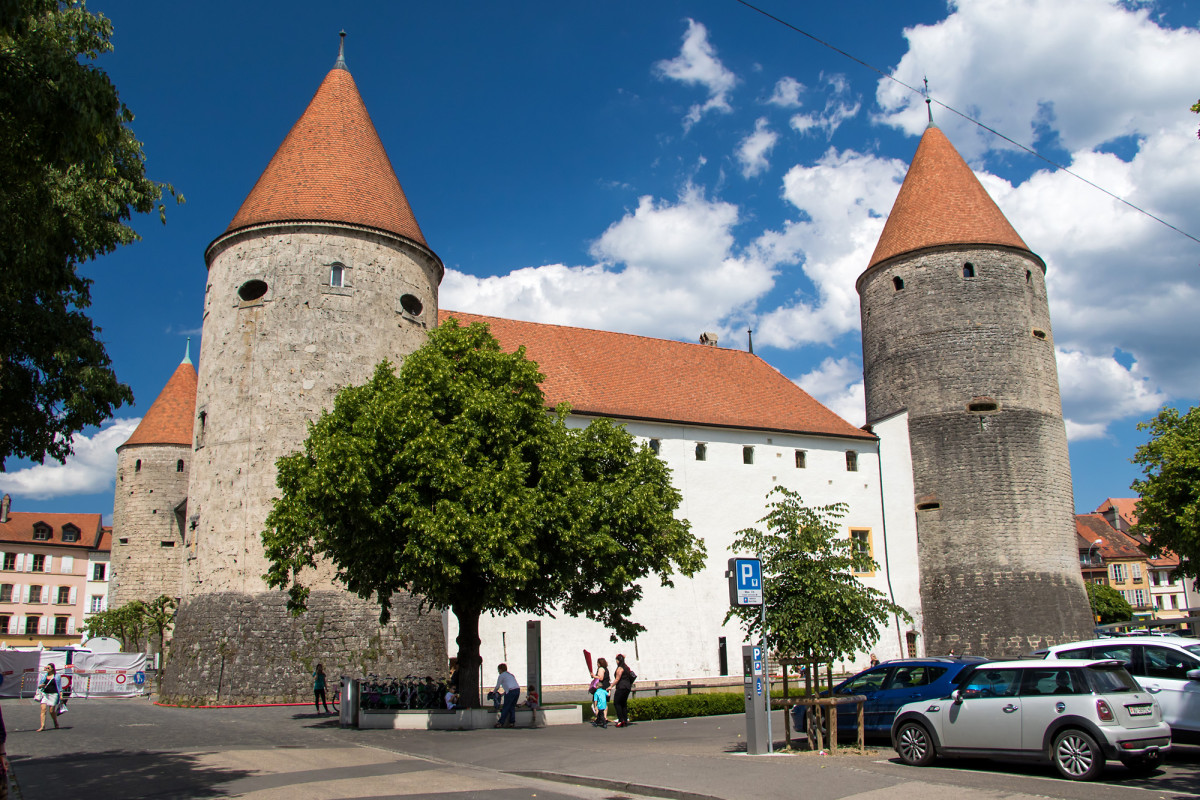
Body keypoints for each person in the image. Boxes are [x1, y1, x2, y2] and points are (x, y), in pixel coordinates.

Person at [611, 654, 636, 728]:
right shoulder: (627, 667)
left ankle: (621, 720)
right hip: (627, 687)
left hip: (621, 687)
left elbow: (617, 679)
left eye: (616, 660)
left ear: (618, 661)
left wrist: (611, 686)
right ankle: (625, 719)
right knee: (623, 703)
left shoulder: (620, 668)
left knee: (617, 703)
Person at [493, 663, 520, 728]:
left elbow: (497, 686)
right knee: (512, 706)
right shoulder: (510, 675)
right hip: (517, 690)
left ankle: (500, 723)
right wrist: (503, 694)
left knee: (506, 707)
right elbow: (510, 685)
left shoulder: (501, 675)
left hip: (511, 691)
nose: (498, 671)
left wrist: (494, 692)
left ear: (501, 669)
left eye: (498, 670)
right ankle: (512, 722)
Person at [36, 663, 61, 731]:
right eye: (46, 668)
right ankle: (42, 726)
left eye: (48, 668)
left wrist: (61, 696)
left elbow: (59, 687)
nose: (47, 669)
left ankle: (55, 722)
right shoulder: (45, 676)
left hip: (54, 694)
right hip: (45, 694)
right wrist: (40, 686)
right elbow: (40, 684)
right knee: (43, 709)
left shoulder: (57, 676)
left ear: (52, 669)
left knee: (51, 711)